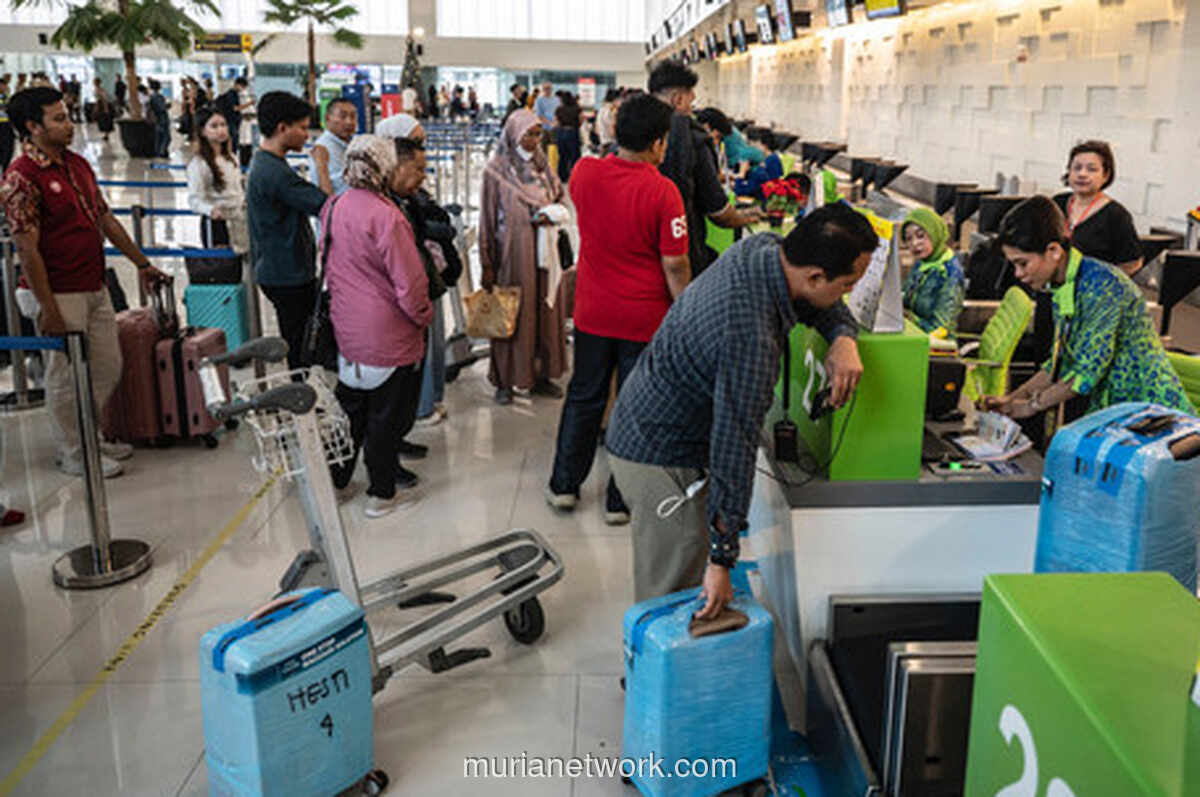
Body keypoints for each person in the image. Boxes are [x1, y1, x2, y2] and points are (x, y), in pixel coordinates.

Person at [607, 204, 876, 614]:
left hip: (645, 417)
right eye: (847, 286)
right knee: (671, 599)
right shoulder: (750, 336)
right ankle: (648, 657)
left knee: (681, 586)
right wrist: (722, 557)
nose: (848, 296)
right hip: (658, 456)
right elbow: (733, 447)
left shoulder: (765, 250)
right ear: (815, 276)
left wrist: (843, 336)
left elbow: (818, 301)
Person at [0, 87, 168, 477]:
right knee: (64, 375)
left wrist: (142, 263)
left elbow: (104, 219)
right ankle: (73, 451)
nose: (69, 124)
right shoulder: (21, 177)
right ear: (33, 127)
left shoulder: (76, 164)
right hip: (56, 291)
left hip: (93, 282)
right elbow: (27, 249)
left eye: (67, 115)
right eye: (58, 119)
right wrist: (49, 308)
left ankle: (90, 434)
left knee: (107, 366)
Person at [546, 94, 689, 525]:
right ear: (659, 142)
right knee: (633, 406)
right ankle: (619, 500)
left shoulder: (584, 173)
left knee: (584, 396)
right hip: (644, 319)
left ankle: (564, 485)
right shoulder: (664, 191)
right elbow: (675, 264)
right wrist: (685, 314)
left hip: (592, 311)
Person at [982, 196, 1193, 423]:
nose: (1018, 274)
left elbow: (1086, 372)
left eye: (1022, 263)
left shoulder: (1103, 286)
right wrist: (1011, 400)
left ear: (1054, 251)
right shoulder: (1063, 287)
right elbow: (1059, 364)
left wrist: (1028, 407)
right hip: (1117, 412)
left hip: (1153, 414)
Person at [326, 135, 433, 518]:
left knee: (350, 411)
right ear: (385, 168)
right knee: (385, 418)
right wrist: (423, 315)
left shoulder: (334, 205)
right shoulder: (387, 216)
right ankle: (381, 494)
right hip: (388, 332)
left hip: (347, 327)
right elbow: (410, 283)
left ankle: (337, 483)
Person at [376, 113, 462, 433]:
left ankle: (424, 403)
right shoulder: (387, 204)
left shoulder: (408, 195)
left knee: (429, 345)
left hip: (427, 278)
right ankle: (416, 412)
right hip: (409, 289)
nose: (420, 149)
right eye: (414, 143)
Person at [478, 109, 568, 405]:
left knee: (544, 313)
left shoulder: (544, 167)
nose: (533, 140)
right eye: (528, 134)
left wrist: (552, 214)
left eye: (537, 134)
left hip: (544, 254)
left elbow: (559, 197)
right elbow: (487, 219)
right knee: (511, 315)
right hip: (512, 255)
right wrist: (487, 261)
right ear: (514, 134)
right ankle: (504, 379)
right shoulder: (496, 170)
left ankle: (541, 375)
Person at [649, 63, 761, 277]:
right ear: (677, 99)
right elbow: (717, 210)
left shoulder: (630, 135)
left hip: (639, 262)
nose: (692, 108)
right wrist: (747, 217)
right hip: (684, 255)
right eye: (690, 101)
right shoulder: (693, 139)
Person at [246, 92, 329, 371]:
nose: (307, 135)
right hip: (287, 274)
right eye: (302, 128)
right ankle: (300, 390)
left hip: (279, 269)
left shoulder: (266, 163)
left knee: (298, 338)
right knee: (300, 345)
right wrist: (322, 166)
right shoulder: (276, 173)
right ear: (282, 128)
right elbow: (325, 205)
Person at [1052, 140, 1142, 277]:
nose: (1082, 174)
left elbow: (1132, 264)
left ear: (1105, 175)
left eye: (1091, 169)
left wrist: (1102, 282)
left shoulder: (1116, 215)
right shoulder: (1056, 203)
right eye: (1077, 168)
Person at [186, 107, 249, 258]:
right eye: (214, 126)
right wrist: (211, 210)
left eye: (223, 125)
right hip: (217, 224)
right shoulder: (199, 164)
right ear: (203, 131)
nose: (221, 130)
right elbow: (194, 200)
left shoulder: (232, 157)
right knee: (224, 268)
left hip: (239, 220)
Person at [900, 207, 965, 334]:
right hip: (911, 331)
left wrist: (909, 318)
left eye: (920, 236)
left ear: (934, 233)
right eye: (908, 239)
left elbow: (941, 327)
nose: (914, 243)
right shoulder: (923, 263)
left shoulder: (949, 274)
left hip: (934, 340)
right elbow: (908, 297)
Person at [309, 98, 357, 197]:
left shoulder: (354, 143)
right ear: (327, 118)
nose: (349, 122)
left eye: (353, 117)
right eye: (343, 116)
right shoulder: (323, 148)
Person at [733, 128, 785, 199]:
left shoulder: (763, 168)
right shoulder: (774, 159)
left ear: (764, 146)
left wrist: (742, 174)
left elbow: (740, 191)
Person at [553, 93, 582, 183]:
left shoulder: (559, 109)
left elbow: (556, 122)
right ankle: (574, 176)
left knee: (562, 156)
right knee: (574, 156)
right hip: (572, 132)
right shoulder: (577, 108)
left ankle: (562, 177)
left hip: (561, 133)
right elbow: (581, 120)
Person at [215, 77, 248, 152]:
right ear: (237, 84)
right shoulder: (231, 94)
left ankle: (231, 153)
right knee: (233, 140)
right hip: (230, 120)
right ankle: (231, 153)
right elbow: (235, 108)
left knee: (233, 139)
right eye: (242, 87)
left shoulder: (234, 94)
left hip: (232, 120)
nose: (242, 89)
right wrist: (249, 104)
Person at [148, 79, 169, 157]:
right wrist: (167, 105)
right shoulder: (158, 97)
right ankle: (162, 151)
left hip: (157, 118)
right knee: (166, 136)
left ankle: (158, 151)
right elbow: (162, 108)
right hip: (162, 118)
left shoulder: (151, 96)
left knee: (159, 136)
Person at [92, 77, 114, 142]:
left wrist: (105, 108)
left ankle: (106, 134)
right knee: (102, 119)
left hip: (101, 105)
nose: (94, 83)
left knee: (104, 119)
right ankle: (106, 134)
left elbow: (103, 98)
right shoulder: (97, 89)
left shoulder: (100, 89)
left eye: (95, 82)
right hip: (99, 104)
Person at [0, 75, 13, 170]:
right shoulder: (4, 97)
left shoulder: (6, 96)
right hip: (2, 124)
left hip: (6, 124)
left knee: (7, 148)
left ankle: (5, 167)